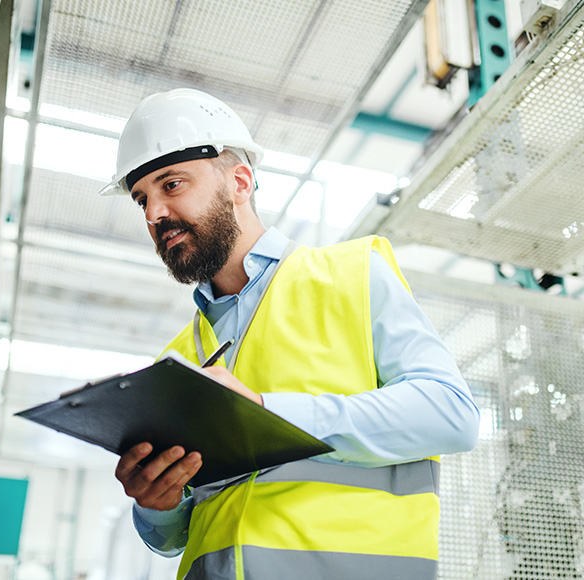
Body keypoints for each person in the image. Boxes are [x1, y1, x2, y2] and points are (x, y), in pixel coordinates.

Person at [99, 88, 480, 580]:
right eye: (142, 199)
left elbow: (451, 414)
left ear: (239, 181)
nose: (154, 214)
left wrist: (265, 414)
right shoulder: (177, 359)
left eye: (171, 184)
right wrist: (157, 504)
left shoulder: (350, 275)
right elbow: (172, 540)